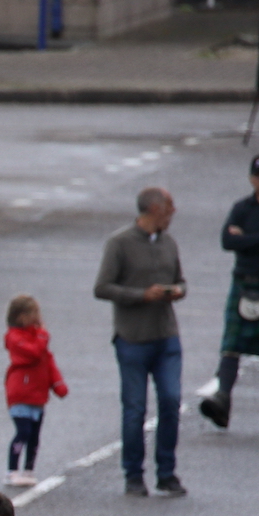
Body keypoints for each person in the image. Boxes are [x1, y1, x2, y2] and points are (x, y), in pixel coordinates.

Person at [92, 186, 189, 497]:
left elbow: (181, 279)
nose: (173, 213)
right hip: (133, 337)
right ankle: (133, 474)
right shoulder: (120, 243)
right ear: (153, 209)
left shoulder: (168, 243)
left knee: (172, 401)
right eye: (169, 208)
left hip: (166, 336)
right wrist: (140, 296)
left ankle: (167, 471)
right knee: (135, 409)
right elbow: (102, 287)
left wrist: (178, 290)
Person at [202, 155, 259, 429]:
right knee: (231, 346)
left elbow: (238, 240)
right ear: (252, 178)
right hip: (245, 282)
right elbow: (228, 240)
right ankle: (222, 398)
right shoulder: (242, 207)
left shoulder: (244, 215)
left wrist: (246, 239)